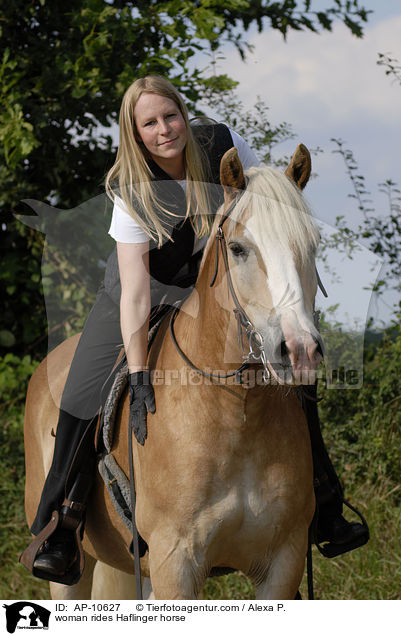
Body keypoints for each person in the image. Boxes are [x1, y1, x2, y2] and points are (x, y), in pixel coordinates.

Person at [22, 76, 367, 584]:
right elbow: (137, 294)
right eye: (150, 123)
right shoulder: (130, 190)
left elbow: (261, 207)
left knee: (297, 368)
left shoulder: (222, 144)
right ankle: (62, 518)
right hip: (139, 292)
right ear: (135, 133)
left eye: (171, 116)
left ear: (184, 115)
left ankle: (325, 500)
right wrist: (139, 374)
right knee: (78, 390)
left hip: (215, 283)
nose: (165, 130)